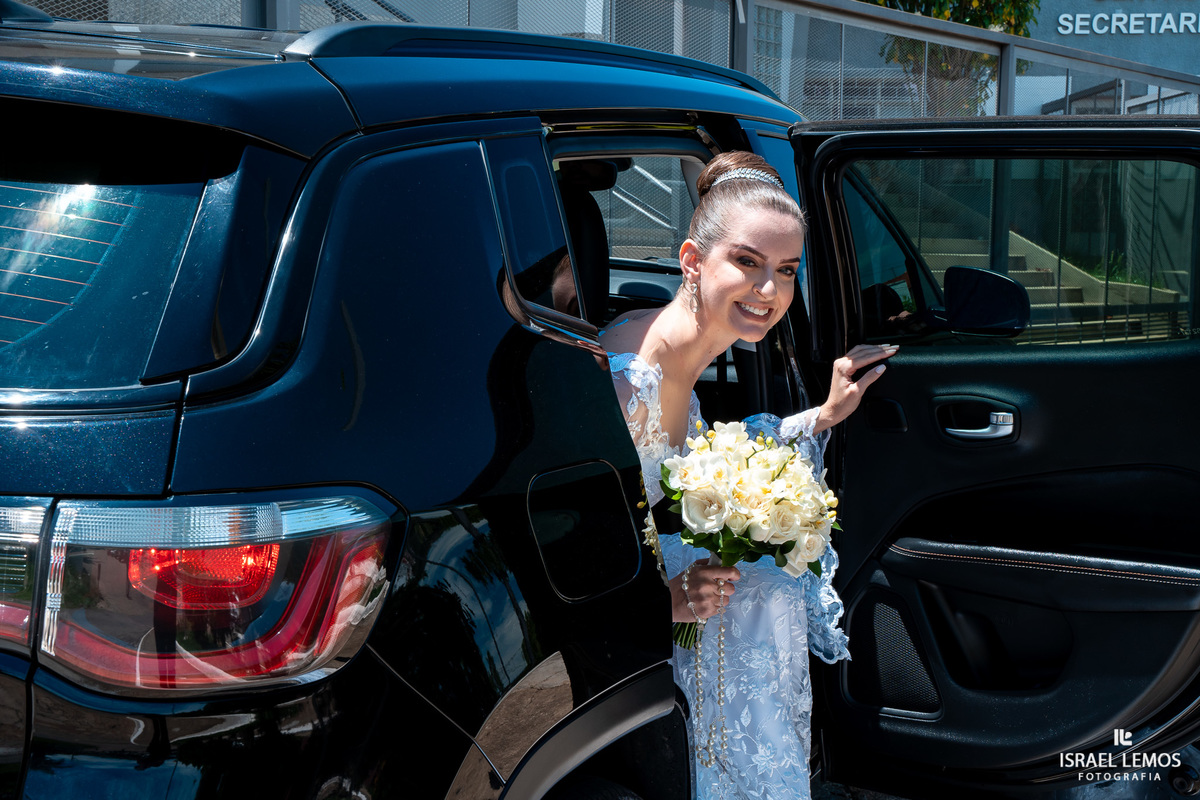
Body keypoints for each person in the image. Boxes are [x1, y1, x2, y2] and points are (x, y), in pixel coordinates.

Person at [600, 151, 896, 799]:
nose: (770, 292)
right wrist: (676, 599)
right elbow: (623, 540)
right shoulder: (637, 384)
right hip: (694, 665)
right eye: (748, 262)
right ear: (690, 260)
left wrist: (823, 414)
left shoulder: (652, 336)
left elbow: (706, 467)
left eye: (787, 271)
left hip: (729, 648)